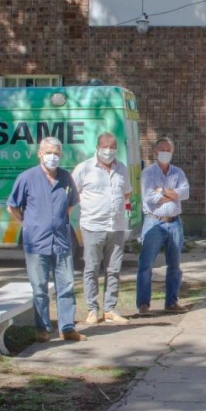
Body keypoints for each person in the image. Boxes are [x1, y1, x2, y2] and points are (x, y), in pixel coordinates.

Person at [7, 137, 86, 342]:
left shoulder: (66, 178)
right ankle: (42, 328)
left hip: (61, 242)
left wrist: (57, 222)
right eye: (49, 152)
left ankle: (67, 327)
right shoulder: (27, 178)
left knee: (66, 286)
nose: (53, 157)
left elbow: (70, 205)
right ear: (40, 154)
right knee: (40, 288)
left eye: (57, 153)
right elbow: (12, 206)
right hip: (36, 243)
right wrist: (28, 224)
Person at [72, 132, 132, 326]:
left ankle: (110, 309)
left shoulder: (122, 168)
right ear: (97, 147)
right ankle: (92, 309)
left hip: (116, 227)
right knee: (91, 268)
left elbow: (127, 194)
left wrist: (125, 214)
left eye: (113, 146)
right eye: (105, 146)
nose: (109, 150)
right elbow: (73, 194)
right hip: (92, 226)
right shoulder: (84, 168)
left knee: (113, 270)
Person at [136, 137, 190, 315]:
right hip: (154, 221)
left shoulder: (178, 172)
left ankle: (171, 301)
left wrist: (163, 191)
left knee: (175, 265)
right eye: (162, 150)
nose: (165, 153)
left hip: (174, 222)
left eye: (169, 150)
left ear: (172, 152)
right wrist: (173, 194)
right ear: (155, 152)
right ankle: (143, 304)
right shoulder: (148, 173)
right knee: (146, 265)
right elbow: (149, 197)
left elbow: (185, 192)